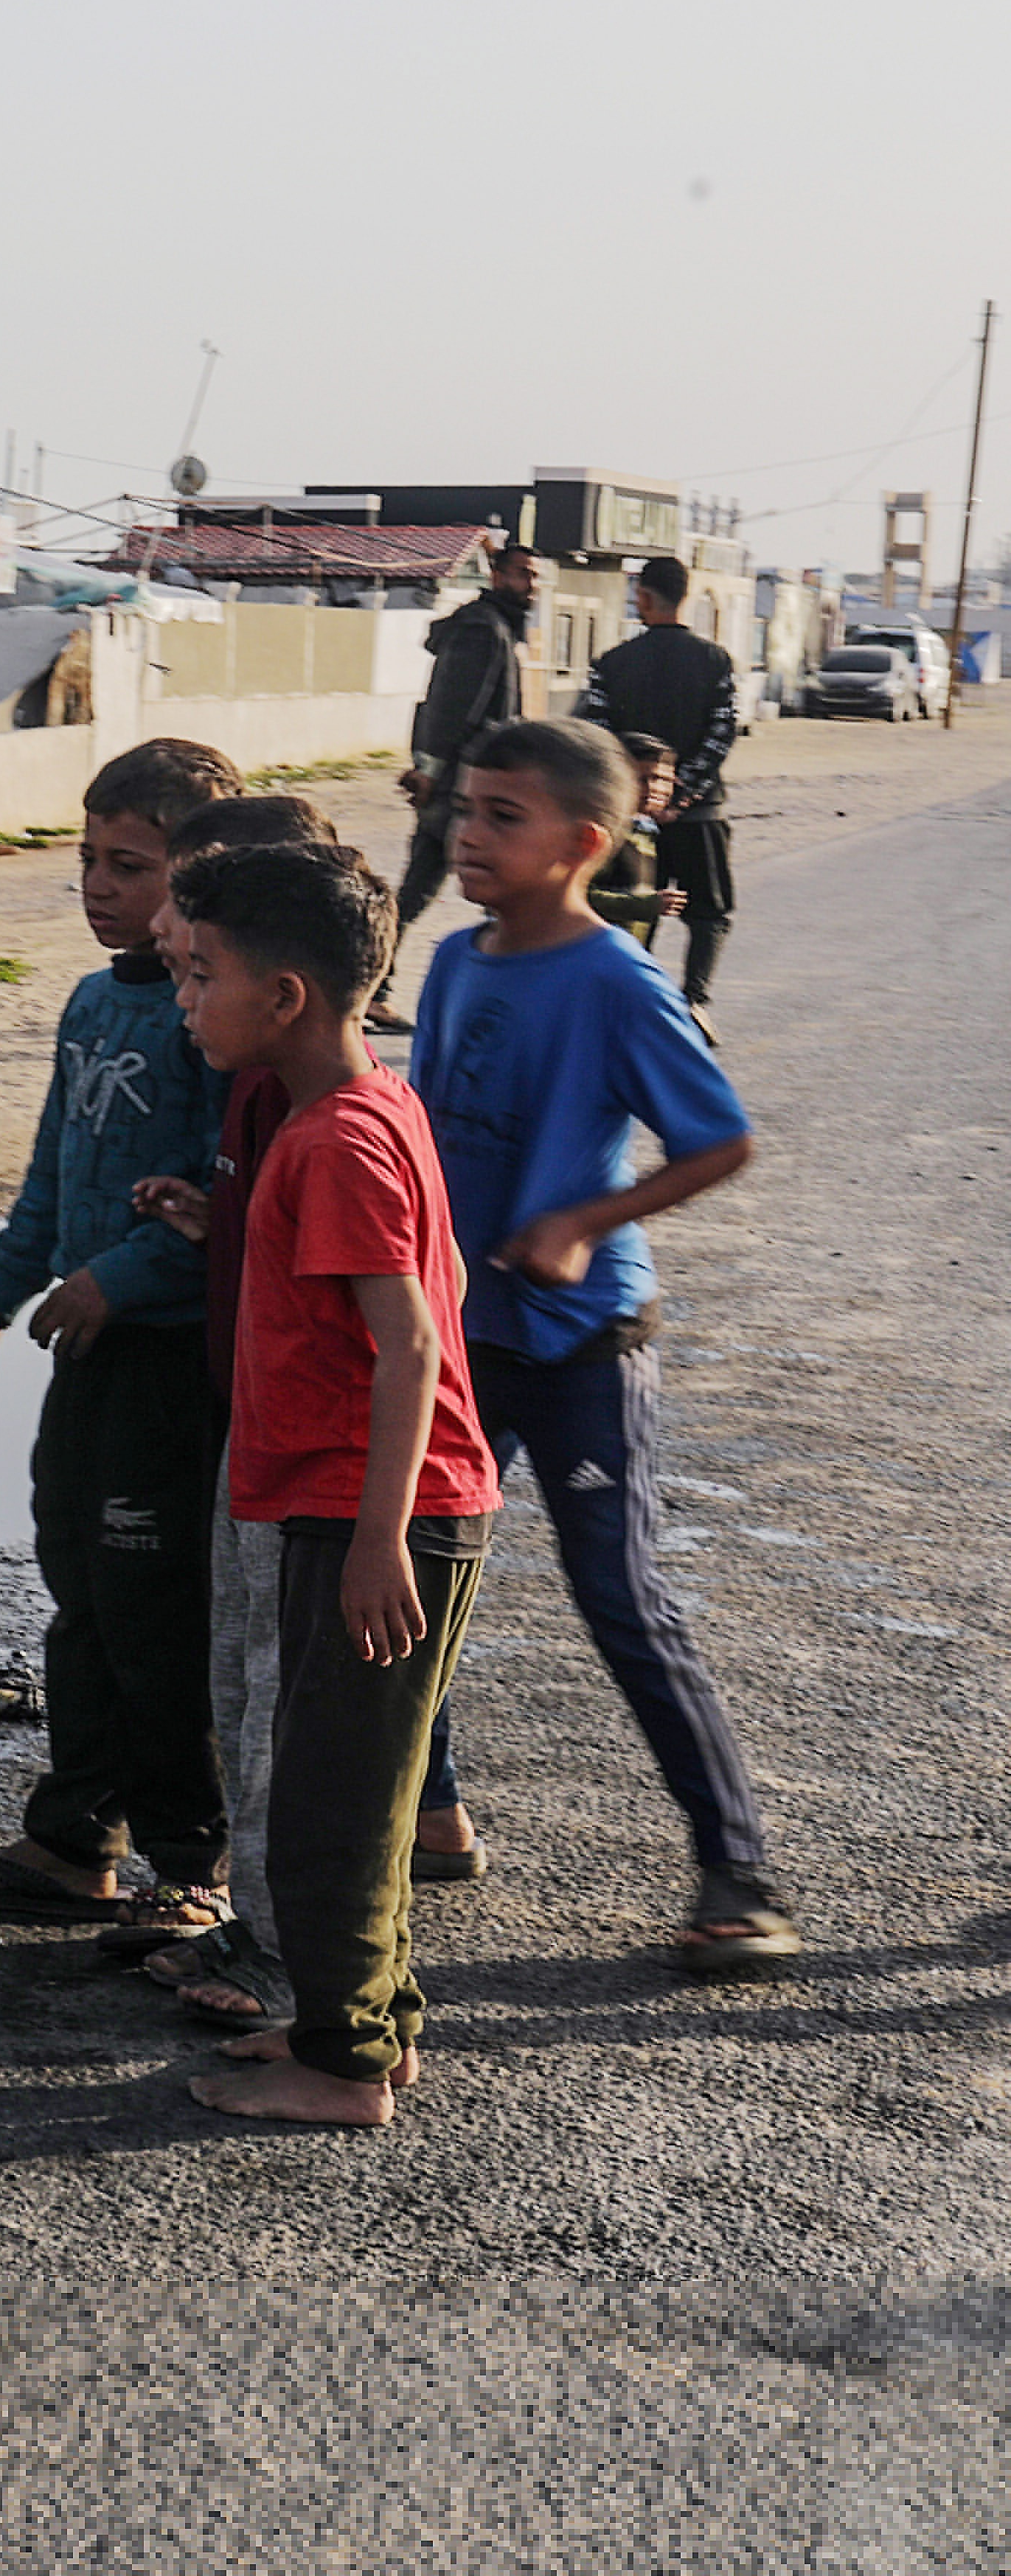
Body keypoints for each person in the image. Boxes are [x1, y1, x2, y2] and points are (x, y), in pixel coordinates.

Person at [418, 716, 797, 1974]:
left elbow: (723, 1141)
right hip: (458, 1334)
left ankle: (738, 1872)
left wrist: (584, 1218)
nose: (470, 832)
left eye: (502, 816)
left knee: (622, 1601)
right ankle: (433, 1814)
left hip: (581, 1341)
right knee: (407, 1585)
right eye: (466, 808)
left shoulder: (617, 980)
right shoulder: (459, 960)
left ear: (585, 843)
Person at [167, 838, 495, 2131]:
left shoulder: (336, 1143)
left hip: (376, 1515)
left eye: (201, 978)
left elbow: (415, 1337)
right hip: (366, 1500)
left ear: (286, 997)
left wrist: (378, 1536)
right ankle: (369, 2030)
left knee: (331, 1811)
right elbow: (444, 1288)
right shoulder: (372, 1110)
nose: (186, 1001)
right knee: (351, 1789)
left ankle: (346, 2068)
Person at [0, 739, 243, 1932]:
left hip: (170, 1362)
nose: (101, 888)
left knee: (156, 1612)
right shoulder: (93, 1001)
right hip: (87, 1358)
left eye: (131, 865)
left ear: (200, 876)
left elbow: (229, 1202)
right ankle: (73, 1843)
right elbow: (49, 1179)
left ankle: (192, 1865)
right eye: (88, 860)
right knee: (81, 1592)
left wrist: (118, 1278)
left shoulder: (223, 1017)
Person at [576, 554, 740, 1012]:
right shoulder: (716, 661)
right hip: (700, 815)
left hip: (626, 815)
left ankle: (630, 998)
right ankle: (695, 1001)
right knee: (709, 913)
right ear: (685, 596)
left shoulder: (612, 664)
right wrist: (682, 794)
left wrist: (640, 799)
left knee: (629, 907)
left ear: (643, 597)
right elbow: (722, 733)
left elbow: (597, 737)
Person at [391, 541, 543, 971]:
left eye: (534, 576)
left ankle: (375, 984)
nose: (530, 585)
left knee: (428, 888)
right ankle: (373, 985)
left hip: (475, 784)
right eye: (521, 574)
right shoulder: (482, 629)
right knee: (477, 885)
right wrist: (430, 770)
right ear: (496, 576)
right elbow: (450, 707)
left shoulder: (499, 627)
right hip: (463, 787)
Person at [588, 731, 679, 950]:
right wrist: (644, 905)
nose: (653, 788)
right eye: (641, 779)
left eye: (663, 779)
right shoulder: (606, 835)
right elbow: (575, 895)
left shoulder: (644, 833)